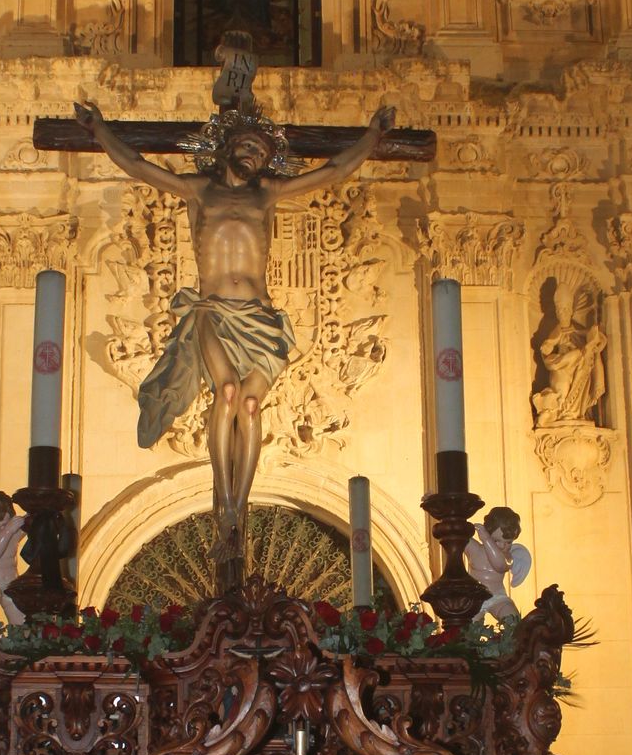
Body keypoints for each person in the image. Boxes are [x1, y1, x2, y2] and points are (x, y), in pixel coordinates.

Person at [70, 80, 393, 580]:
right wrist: (98, 130)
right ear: (227, 149)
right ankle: (225, 507)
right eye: (247, 147)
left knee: (248, 404)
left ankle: (238, 508)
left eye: (262, 153)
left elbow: (332, 169)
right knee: (224, 393)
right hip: (213, 312)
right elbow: (137, 166)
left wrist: (372, 137)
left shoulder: (269, 192)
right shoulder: (200, 190)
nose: (254, 157)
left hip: (261, 321)